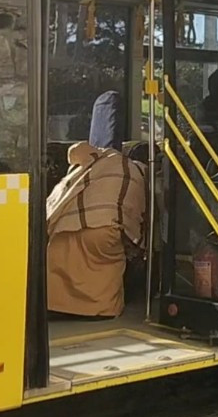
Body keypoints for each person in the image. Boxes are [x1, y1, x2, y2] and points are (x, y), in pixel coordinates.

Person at [46, 91, 147, 319]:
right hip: (104, 229)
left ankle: (58, 306)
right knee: (109, 261)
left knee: (60, 260)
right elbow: (139, 212)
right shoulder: (135, 169)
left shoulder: (86, 161)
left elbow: (70, 161)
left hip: (61, 228)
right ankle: (100, 310)